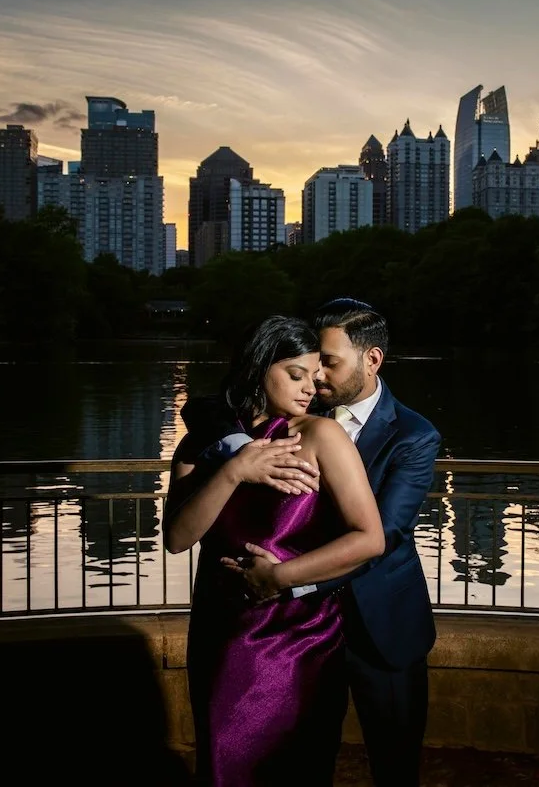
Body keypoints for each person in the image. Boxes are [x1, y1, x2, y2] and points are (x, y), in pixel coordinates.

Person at [185, 298, 442, 787]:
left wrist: (284, 578)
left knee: (395, 766)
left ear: (372, 359)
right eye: (310, 364)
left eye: (329, 362)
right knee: (304, 757)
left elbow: (383, 535)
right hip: (296, 634)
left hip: (379, 625)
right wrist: (240, 452)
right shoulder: (300, 403)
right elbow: (205, 408)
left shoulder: (414, 435)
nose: (317, 376)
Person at [163, 314, 386, 787]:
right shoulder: (204, 444)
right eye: (296, 374)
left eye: (315, 375)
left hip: (299, 637)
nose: (311, 387)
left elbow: (370, 538)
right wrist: (234, 470)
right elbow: (177, 539)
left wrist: (280, 577)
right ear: (259, 366)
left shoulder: (323, 436)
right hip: (222, 633)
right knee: (224, 768)